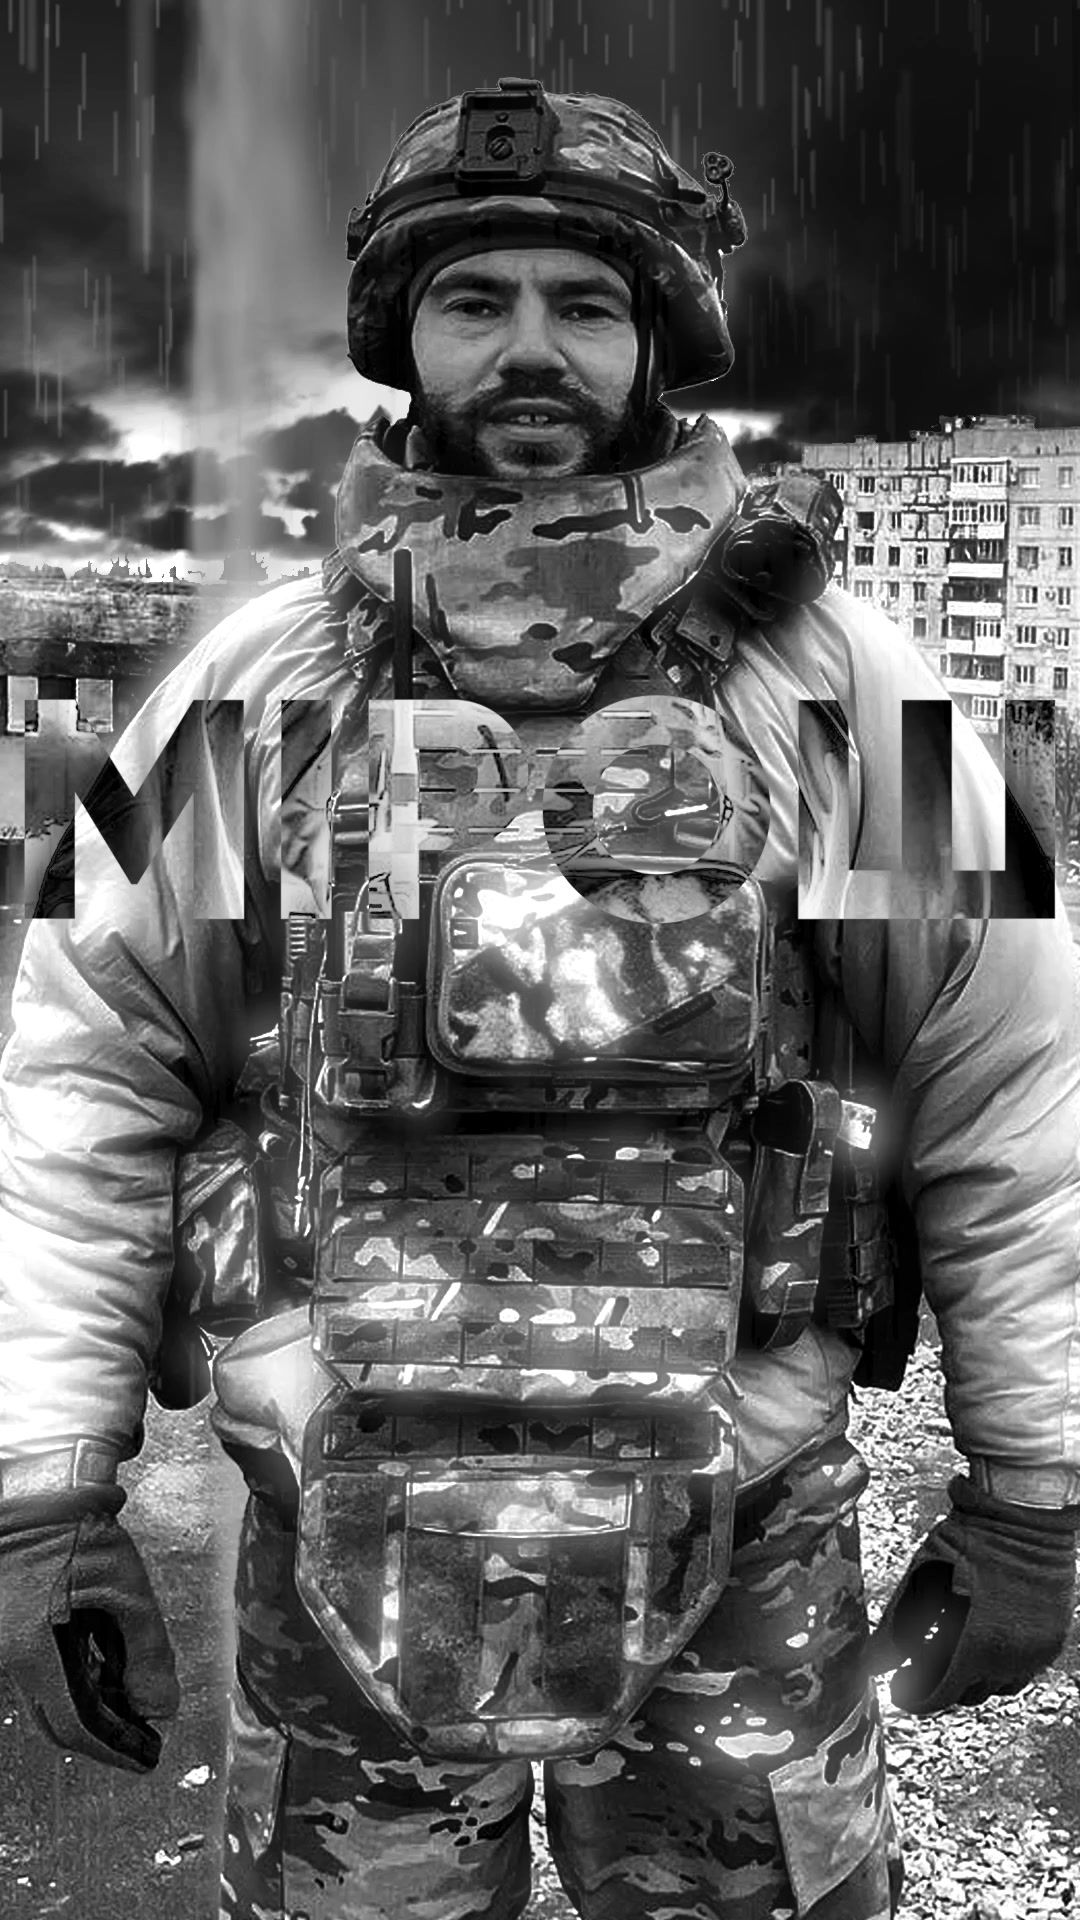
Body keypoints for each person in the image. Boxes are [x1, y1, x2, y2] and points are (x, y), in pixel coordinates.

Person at [1, 78, 1078, 1920]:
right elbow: (84, 1067)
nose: (528, 347)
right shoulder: (256, 683)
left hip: (745, 1519)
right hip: (346, 1517)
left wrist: (1035, 1486)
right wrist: (44, 1489)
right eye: (473, 298)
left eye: (584, 302)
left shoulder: (845, 686)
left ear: (659, 336)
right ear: (399, 332)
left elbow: (1016, 1074)